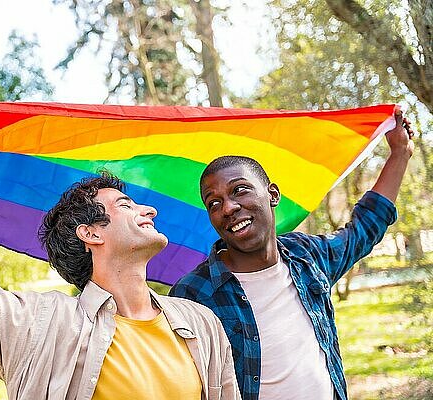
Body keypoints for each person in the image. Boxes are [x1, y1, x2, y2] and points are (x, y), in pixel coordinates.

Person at [0, 94, 241, 400]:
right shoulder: (41, 326)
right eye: (125, 206)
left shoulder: (201, 323)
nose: (150, 210)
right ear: (91, 234)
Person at [169, 109, 415, 400]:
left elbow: (364, 230)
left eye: (240, 190)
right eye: (214, 203)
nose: (229, 208)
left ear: (273, 195)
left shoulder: (307, 257)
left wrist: (400, 153)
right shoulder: (193, 293)